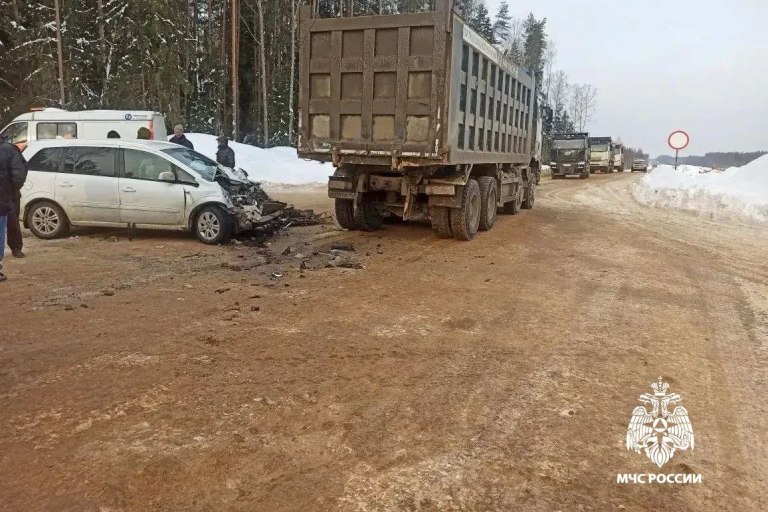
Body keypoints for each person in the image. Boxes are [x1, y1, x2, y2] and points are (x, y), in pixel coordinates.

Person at [0, 141, 27, 281]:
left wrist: (11, 191)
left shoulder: (9, 149)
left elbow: (21, 171)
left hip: (8, 196)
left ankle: (16, 247)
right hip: (6, 195)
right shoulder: (9, 149)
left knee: (12, 223)